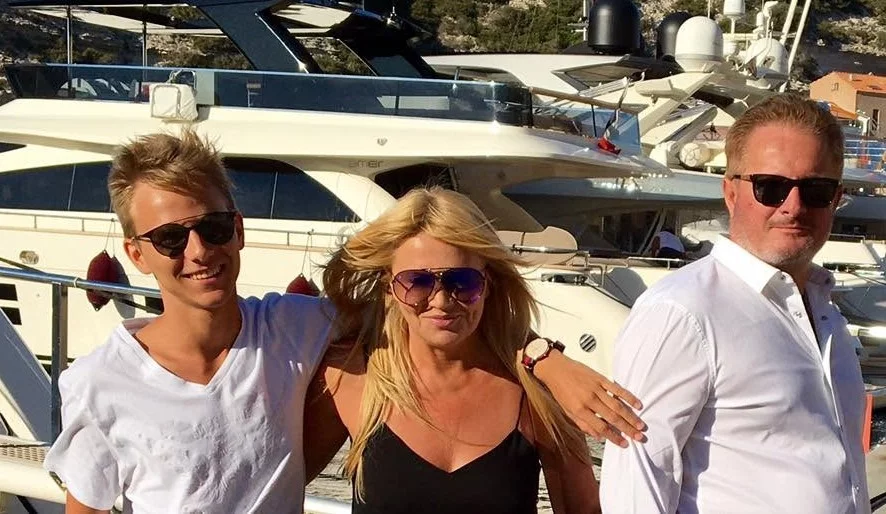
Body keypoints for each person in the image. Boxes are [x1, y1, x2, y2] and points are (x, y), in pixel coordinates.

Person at [43, 129, 644, 513]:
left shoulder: (297, 330)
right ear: (136, 254)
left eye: (214, 227)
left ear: (238, 229)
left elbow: (448, 324)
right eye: (171, 238)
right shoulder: (103, 382)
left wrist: (543, 358)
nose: (198, 251)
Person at [600, 94, 868, 513]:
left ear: (836, 198)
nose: (793, 206)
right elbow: (636, 480)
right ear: (730, 192)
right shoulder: (682, 312)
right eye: (770, 187)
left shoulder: (826, 314)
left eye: (815, 190)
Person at [304, 187, 599, 513]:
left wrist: (543, 356)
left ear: (488, 283)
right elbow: (274, 485)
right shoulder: (352, 377)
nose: (442, 301)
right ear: (389, 286)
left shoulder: (536, 391)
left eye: (463, 281)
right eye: (417, 282)